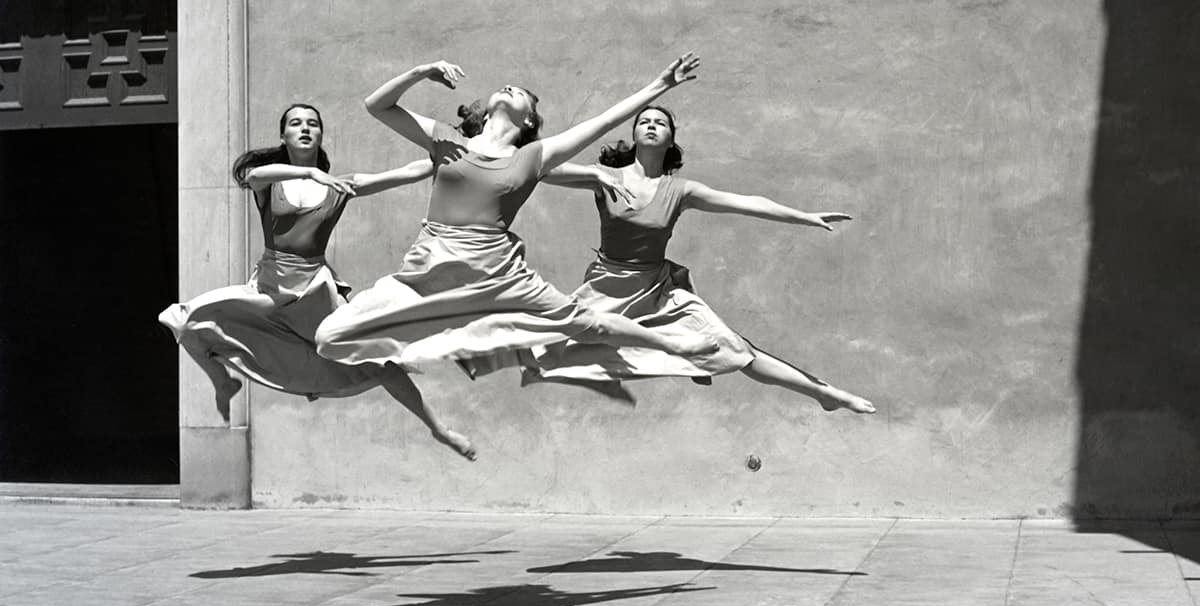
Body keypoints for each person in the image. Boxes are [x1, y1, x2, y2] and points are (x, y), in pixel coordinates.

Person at [315, 54, 717, 377]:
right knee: (330, 337)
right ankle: (419, 346)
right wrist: (421, 72)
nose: (510, 89)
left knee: (584, 322)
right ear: (487, 111)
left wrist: (661, 86)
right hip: (429, 269)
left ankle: (674, 344)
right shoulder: (448, 141)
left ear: (527, 121)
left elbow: (602, 123)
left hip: (499, 274)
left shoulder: (530, 158)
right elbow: (377, 105)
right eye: (506, 88)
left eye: (522, 94)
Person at [159, 103, 479, 460]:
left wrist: (459, 148)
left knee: (382, 364)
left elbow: (409, 171)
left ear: (321, 135)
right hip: (271, 288)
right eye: (296, 123)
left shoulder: (340, 187)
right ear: (284, 136)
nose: (305, 128)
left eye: (313, 123)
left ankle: (441, 429)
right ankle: (223, 380)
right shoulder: (272, 181)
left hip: (315, 292)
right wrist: (311, 175)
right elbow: (253, 176)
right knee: (184, 320)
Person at [523, 106, 876, 414]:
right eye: (643, 121)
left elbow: (747, 202)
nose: (650, 125)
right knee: (542, 354)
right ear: (633, 135)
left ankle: (824, 393)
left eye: (659, 123)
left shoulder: (681, 191)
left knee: (737, 349)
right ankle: (687, 360)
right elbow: (536, 168)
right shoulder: (605, 178)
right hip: (607, 287)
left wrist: (803, 215)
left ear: (670, 141)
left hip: (657, 289)